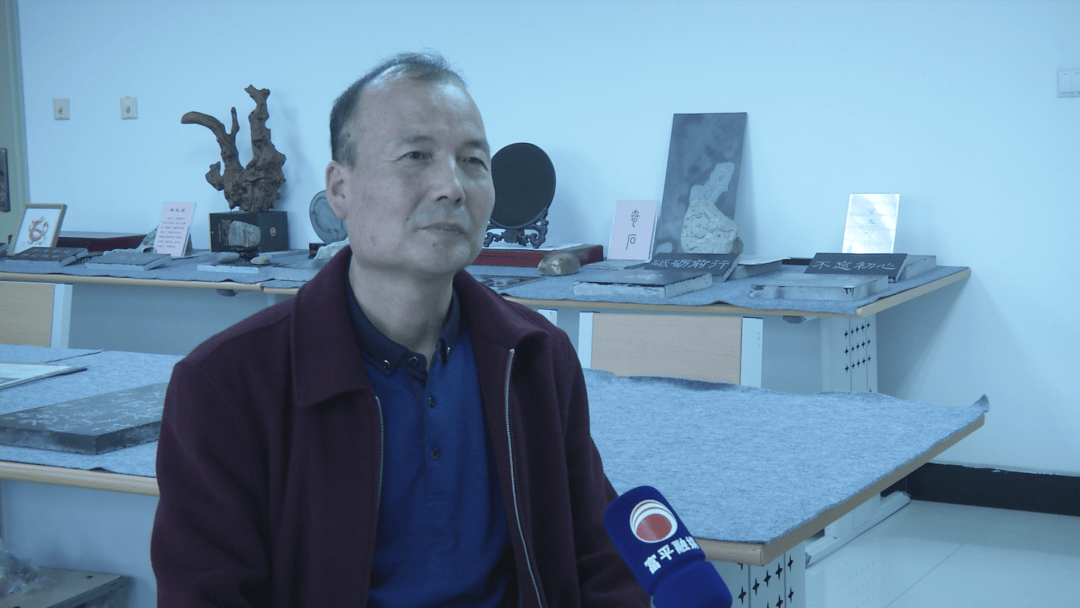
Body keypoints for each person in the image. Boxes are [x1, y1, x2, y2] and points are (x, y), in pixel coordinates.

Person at [151, 52, 649, 608]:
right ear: (339, 189)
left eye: (473, 161)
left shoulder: (534, 355)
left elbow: (599, 552)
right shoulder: (227, 385)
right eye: (416, 156)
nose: (452, 187)